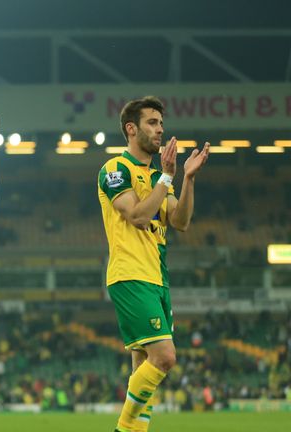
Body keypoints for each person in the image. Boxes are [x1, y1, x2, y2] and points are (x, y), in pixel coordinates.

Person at [97, 96, 209, 432]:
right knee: (165, 357)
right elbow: (137, 215)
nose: (160, 129)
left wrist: (186, 179)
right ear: (131, 129)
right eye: (152, 123)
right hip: (130, 274)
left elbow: (181, 221)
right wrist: (167, 179)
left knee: (143, 367)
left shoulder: (158, 176)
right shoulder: (116, 169)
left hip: (157, 277)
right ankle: (122, 428)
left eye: (161, 123)